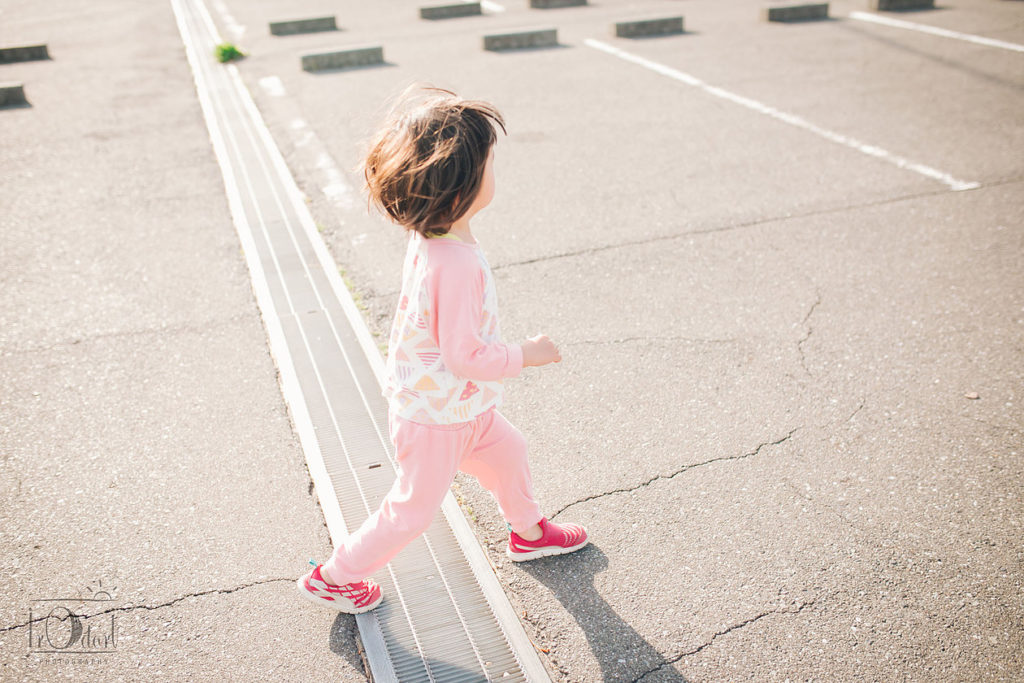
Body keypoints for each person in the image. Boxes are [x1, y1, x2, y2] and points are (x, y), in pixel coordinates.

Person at [296, 87, 589, 614]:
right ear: (459, 191)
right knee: (413, 510)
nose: (494, 170)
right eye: (488, 163)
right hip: (435, 417)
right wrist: (529, 354)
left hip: (457, 405)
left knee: (509, 452)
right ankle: (334, 576)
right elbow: (465, 357)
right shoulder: (456, 265)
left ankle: (528, 531)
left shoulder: (436, 237)